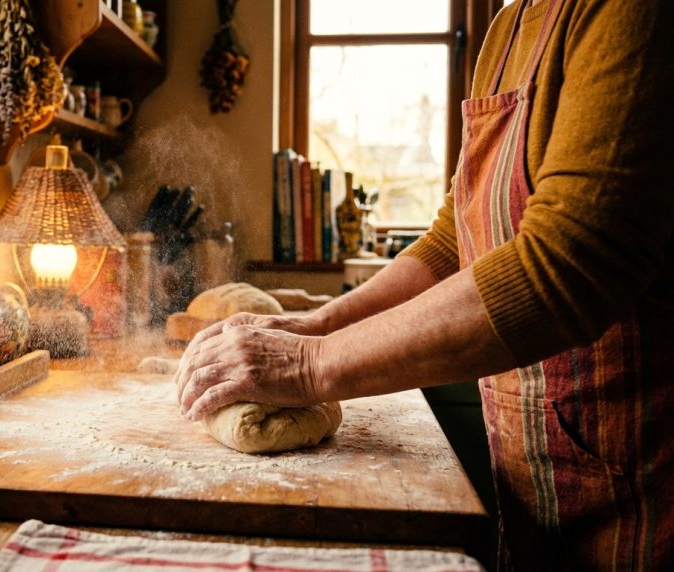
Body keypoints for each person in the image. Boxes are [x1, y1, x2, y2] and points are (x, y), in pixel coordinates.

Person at [175, 0, 673, 569]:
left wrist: (308, 363)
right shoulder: (508, 28)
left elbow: (575, 258)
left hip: (643, 484)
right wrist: (315, 325)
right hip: (542, 484)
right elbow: (455, 237)